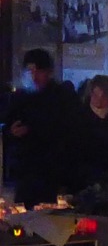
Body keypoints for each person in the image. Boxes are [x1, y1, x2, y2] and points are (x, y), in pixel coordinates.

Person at [2, 49, 80, 206]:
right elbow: (7, 127)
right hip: (25, 171)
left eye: (39, 71)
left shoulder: (62, 97)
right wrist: (12, 132)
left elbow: (69, 131)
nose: (34, 76)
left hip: (54, 170)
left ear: (49, 72)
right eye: (30, 71)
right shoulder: (20, 97)